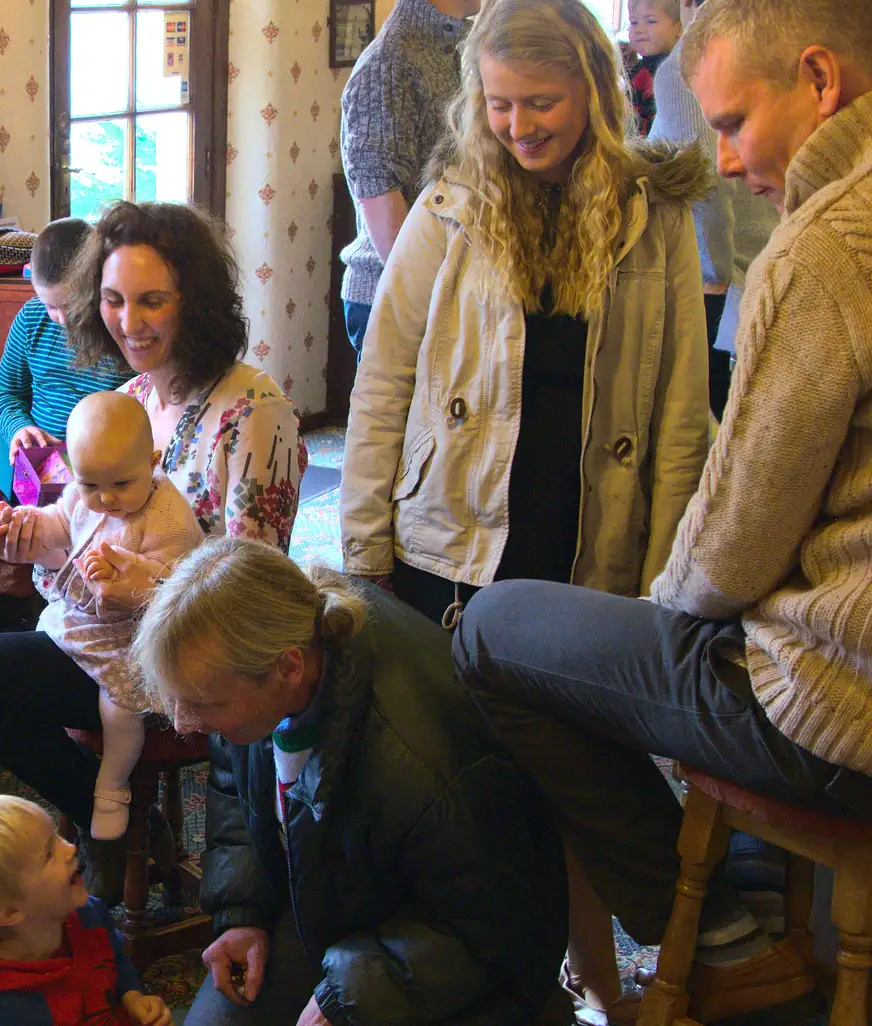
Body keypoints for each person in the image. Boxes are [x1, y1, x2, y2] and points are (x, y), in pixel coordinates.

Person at [453, 0, 872, 1021]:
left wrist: (670, 602)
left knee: (493, 632)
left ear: (819, 81)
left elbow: (726, 547)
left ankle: (720, 946)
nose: (723, 160)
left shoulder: (823, 248)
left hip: (836, 708)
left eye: (731, 124)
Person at [0, 201, 304, 902]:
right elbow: (80, 520)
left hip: (195, 659)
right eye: (112, 300)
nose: (128, 322)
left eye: (151, 301)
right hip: (105, 636)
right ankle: (114, 813)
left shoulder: (255, 413)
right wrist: (36, 534)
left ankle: (116, 819)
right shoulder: (129, 395)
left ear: (194, 302)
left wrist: (153, 586)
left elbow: (253, 588)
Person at [340, 0, 711, 633]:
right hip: (453, 546)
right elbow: (382, 385)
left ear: (592, 92)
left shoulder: (656, 218)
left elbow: (681, 413)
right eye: (499, 103)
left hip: (588, 541)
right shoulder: (446, 210)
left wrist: (666, 584)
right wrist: (363, 548)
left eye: (541, 103)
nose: (519, 126)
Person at [130, 538, 567, 1026]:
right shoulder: (265, 653)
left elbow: (493, 925)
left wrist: (350, 992)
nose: (184, 724)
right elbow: (233, 781)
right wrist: (243, 913)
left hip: (455, 959)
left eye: (203, 706)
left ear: (288, 669)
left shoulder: (420, 756)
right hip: (333, 897)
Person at [0, 391, 202, 843]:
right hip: (82, 622)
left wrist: (135, 578)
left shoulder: (169, 519)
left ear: (153, 461)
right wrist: (26, 525)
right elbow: (59, 522)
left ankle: (112, 785)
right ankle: (81, 780)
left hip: (139, 637)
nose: (104, 499)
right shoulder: (84, 493)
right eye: (89, 485)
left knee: (117, 706)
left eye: (121, 485)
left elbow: (181, 592)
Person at [0, 795, 173, 1026]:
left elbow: (114, 957)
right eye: (48, 854)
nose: (70, 848)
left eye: (56, 836)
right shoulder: (1, 1012)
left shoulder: (88, 914)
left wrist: (132, 996)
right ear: (10, 912)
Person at [647, 0, 779, 418]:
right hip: (756, 267)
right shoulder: (765, 48)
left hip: (720, 285)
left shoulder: (687, 64)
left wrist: (711, 278)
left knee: (706, 422)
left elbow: (705, 181)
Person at [338, 0, 480, 355]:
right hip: (397, 300)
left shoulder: (453, 48)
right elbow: (379, 193)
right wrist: (435, 303)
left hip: (447, 290)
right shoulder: (390, 61)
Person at [0, 218, 134, 463]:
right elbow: (3, 392)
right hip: (40, 467)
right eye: (51, 306)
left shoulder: (122, 324)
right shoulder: (32, 318)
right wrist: (18, 427)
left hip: (110, 467)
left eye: (72, 304)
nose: (63, 319)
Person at [627, 0, 684, 133]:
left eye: (651, 21)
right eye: (634, 22)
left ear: (679, 28)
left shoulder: (679, 73)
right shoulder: (635, 70)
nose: (639, 30)